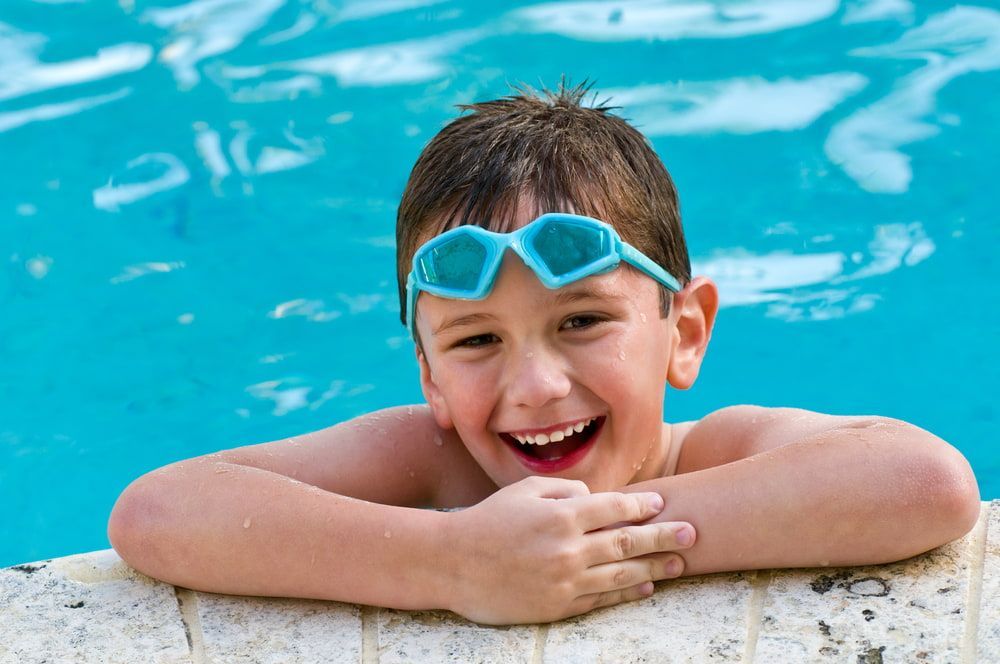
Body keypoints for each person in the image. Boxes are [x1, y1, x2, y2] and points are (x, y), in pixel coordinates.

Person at [106, 82, 980, 626]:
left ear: (684, 334)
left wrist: (595, 543)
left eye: (582, 322)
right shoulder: (433, 458)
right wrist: (450, 564)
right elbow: (158, 512)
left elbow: (926, 484)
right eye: (478, 340)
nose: (536, 385)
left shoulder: (720, 452)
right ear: (430, 377)